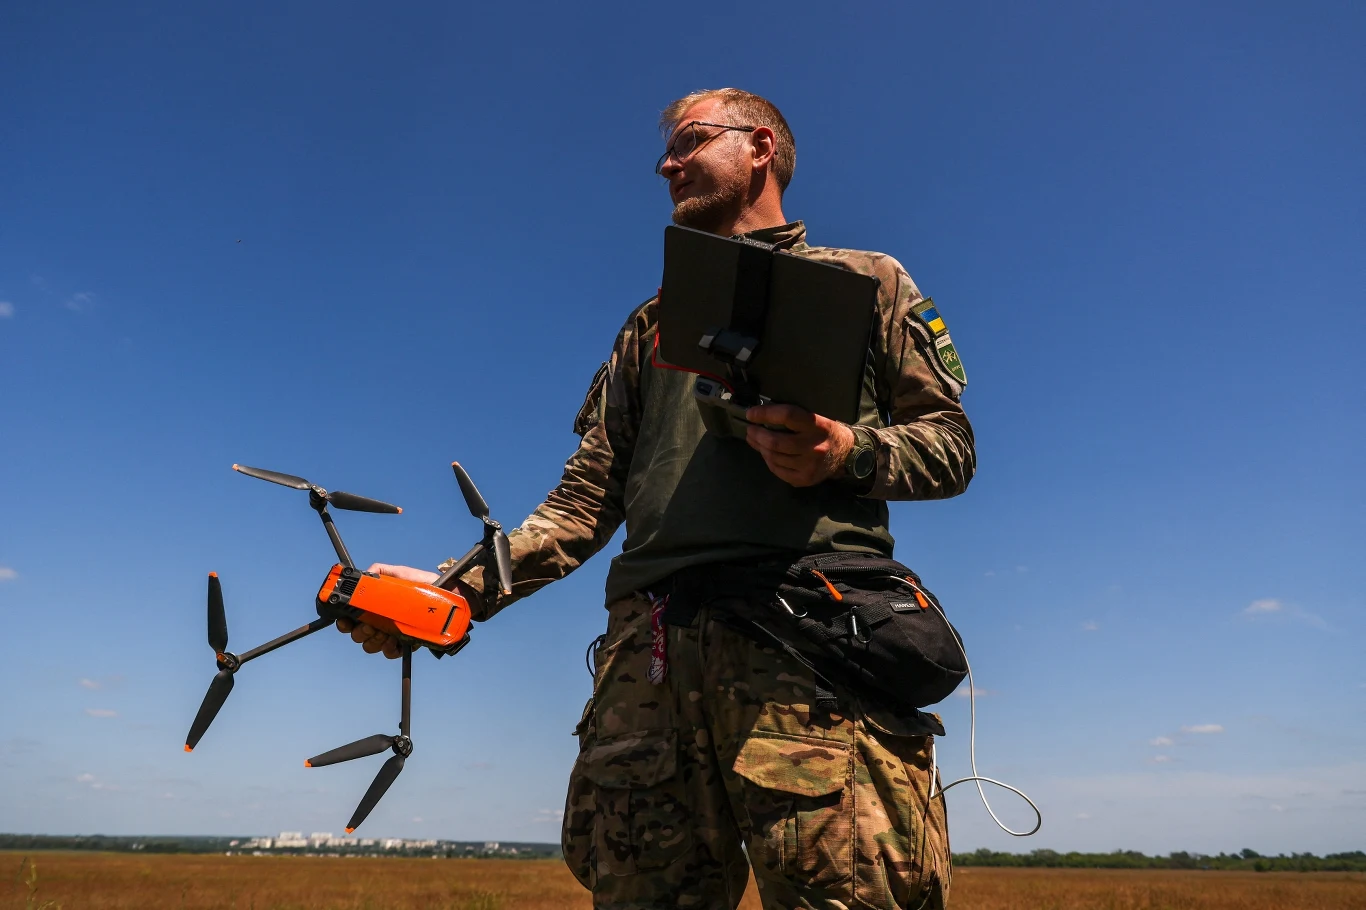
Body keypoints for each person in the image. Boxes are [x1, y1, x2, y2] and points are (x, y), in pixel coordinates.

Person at [338, 88, 975, 910]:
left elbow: (950, 447)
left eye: (691, 141)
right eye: (668, 150)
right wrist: (453, 589)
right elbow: (579, 506)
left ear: (760, 149)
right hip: (649, 657)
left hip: (807, 643)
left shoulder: (866, 282)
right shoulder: (651, 326)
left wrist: (844, 452)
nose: (667, 163)